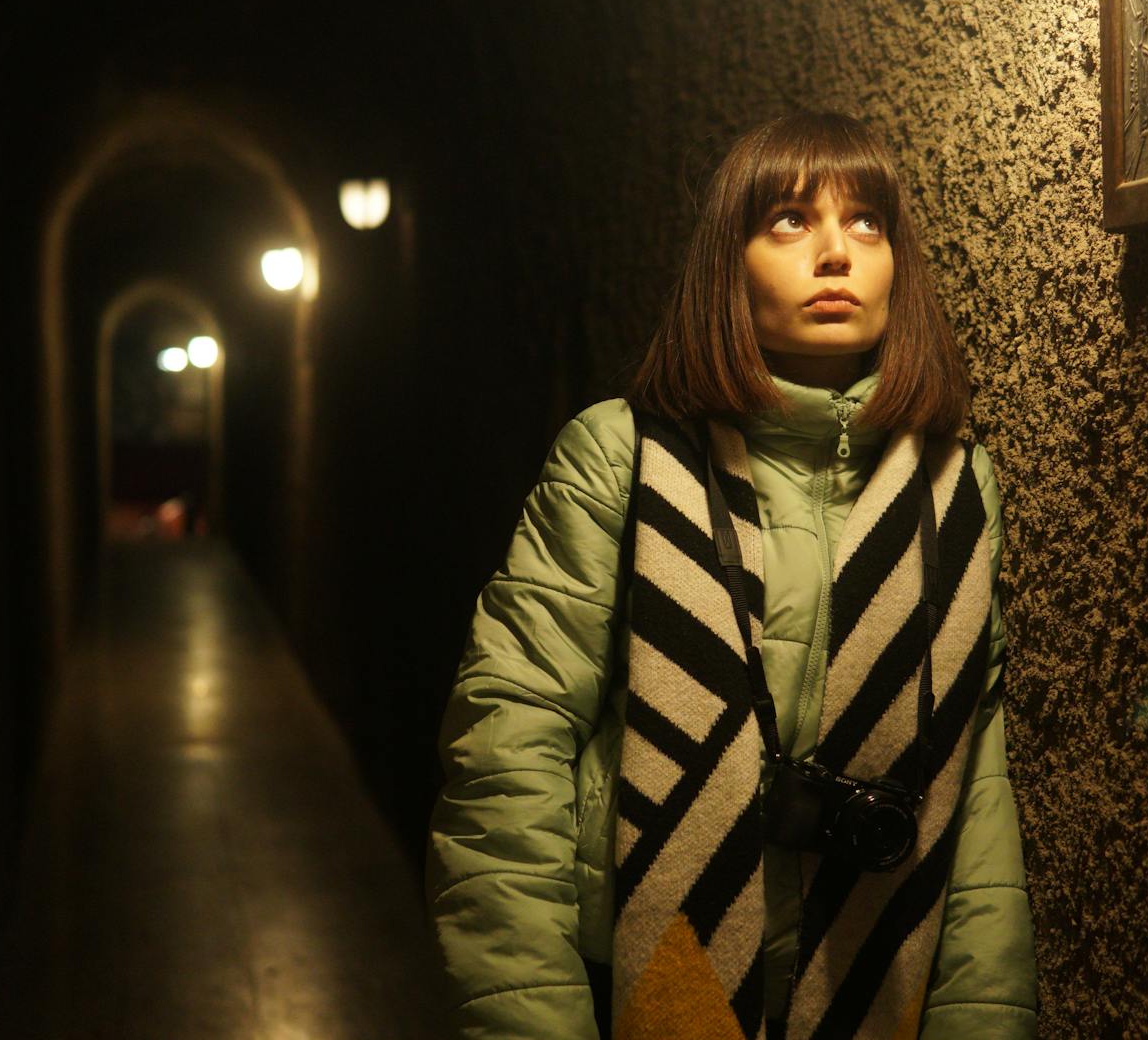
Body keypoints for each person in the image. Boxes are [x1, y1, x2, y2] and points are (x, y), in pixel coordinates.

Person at [427, 111, 1037, 1040]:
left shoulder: (953, 489)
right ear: (728, 263)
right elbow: (507, 750)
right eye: (790, 219)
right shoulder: (622, 458)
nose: (837, 252)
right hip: (632, 979)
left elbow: (976, 800)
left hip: (873, 980)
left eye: (868, 222)